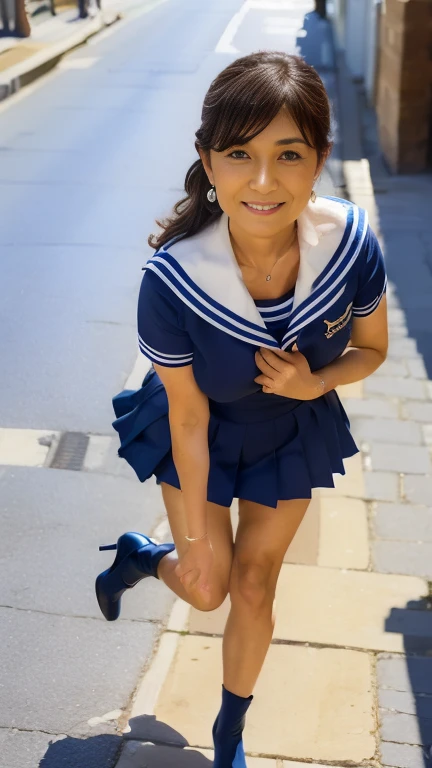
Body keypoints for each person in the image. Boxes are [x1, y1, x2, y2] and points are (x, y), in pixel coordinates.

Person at [95, 51, 388, 767]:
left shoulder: (348, 245)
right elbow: (188, 419)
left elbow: (372, 350)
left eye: (288, 154)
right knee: (207, 587)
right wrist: (192, 538)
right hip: (198, 429)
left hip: (291, 429)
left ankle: (231, 731)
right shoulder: (173, 280)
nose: (263, 181)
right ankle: (148, 556)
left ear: (319, 157)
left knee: (254, 586)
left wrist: (314, 385)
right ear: (209, 161)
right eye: (239, 154)